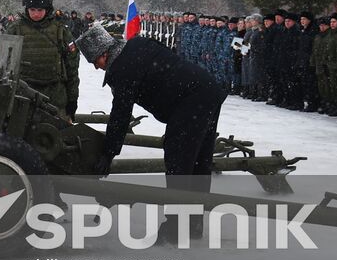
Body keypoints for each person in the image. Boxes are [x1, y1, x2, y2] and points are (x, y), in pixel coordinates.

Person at [80, 24, 228, 239]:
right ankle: (193, 223)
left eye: (95, 61)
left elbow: (120, 114)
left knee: (180, 161)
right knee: (198, 162)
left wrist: (108, 153)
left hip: (190, 101)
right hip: (206, 89)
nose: (96, 67)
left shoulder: (123, 68)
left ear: (104, 52)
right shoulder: (137, 45)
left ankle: (177, 228)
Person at [6, 0, 81, 119]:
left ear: (47, 9)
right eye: (32, 10)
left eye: (40, 10)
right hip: (23, 95)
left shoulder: (61, 31)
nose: (35, 14)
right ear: (26, 9)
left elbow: (72, 68)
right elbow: (4, 64)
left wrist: (72, 99)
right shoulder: (15, 29)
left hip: (55, 97)